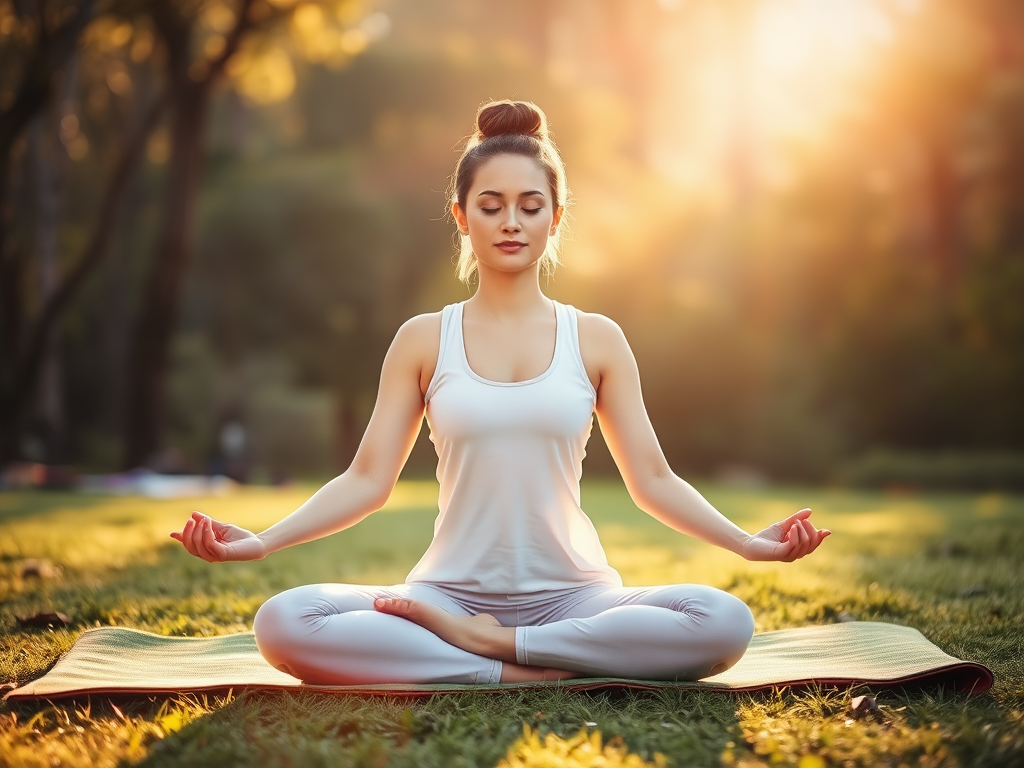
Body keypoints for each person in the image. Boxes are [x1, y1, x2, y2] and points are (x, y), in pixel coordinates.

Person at [171, 100, 830, 686]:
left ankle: (500, 649)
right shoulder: (424, 339)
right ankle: (513, 667)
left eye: (529, 205)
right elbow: (367, 479)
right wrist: (260, 541)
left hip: (576, 598)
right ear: (462, 216)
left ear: (556, 216)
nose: (510, 222)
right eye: (490, 206)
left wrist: (748, 544)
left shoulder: (596, 339)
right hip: (444, 598)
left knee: (723, 621)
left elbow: (653, 480)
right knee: (285, 621)